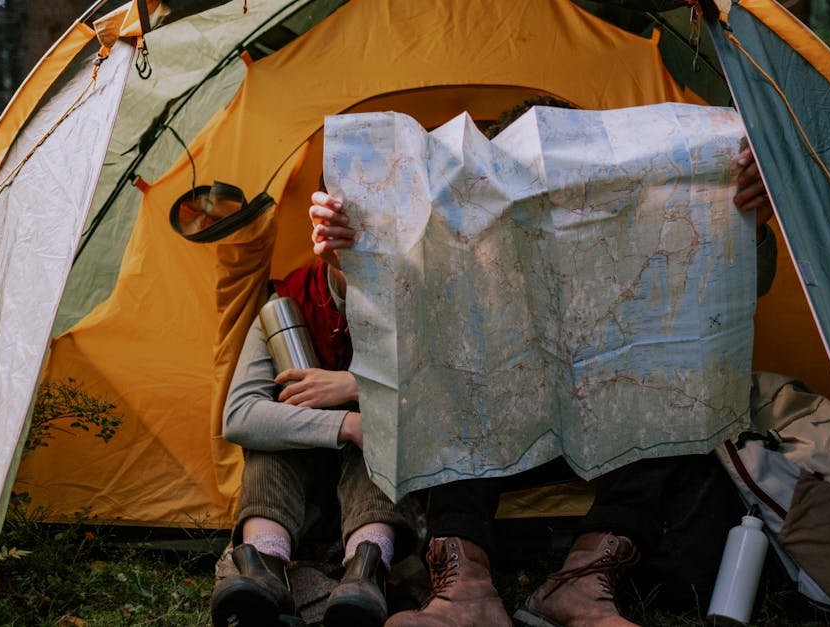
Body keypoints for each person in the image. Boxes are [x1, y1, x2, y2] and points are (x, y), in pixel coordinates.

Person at [308, 98, 777, 627]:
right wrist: (350, 259)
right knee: (454, 381)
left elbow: (727, 294)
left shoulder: (627, 213)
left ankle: (581, 583)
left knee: (668, 394)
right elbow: (407, 310)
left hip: (605, 434)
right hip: (499, 439)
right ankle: (465, 590)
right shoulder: (463, 229)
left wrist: (746, 220)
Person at [211, 258, 417, 627]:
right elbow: (241, 415)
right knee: (271, 436)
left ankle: (367, 573)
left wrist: (357, 388)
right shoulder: (290, 303)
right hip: (297, 497)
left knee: (379, 430)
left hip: (381, 490)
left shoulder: (418, 298)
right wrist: (346, 423)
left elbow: (444, 401)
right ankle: (264, 571)